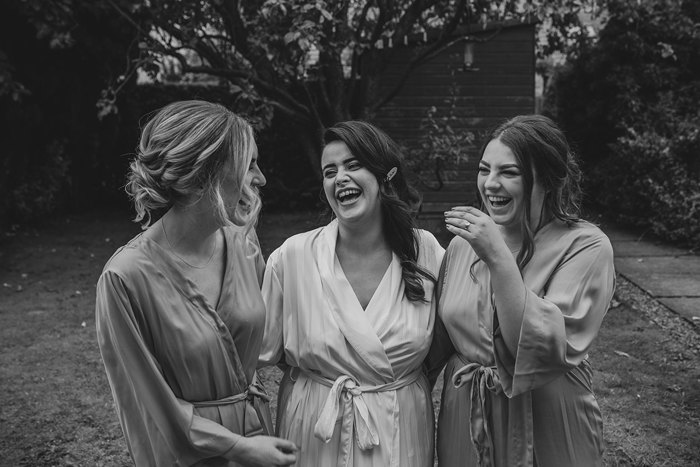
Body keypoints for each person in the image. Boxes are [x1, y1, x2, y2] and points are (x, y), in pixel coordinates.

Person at [95, 100, 297, 467]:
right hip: (189, 457)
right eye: (249, 164)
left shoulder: (243, 243)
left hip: (260, 440)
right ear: (208, 173)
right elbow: (146, 403)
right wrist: (236, 447)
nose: (261, 179)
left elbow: (270, 345)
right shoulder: (125, 278)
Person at [431, 114, 615, 466]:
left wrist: (498, 257)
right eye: (485, 170)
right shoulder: (460, 247)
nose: (490, 184)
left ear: (547, 179)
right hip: (466, 416)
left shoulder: (586, 246)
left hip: (548, 418)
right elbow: (434, 344)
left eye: (509, 173)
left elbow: (534, 348)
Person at [259, 120, 445, 466]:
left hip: (399, 428)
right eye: (329, 171)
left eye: (353, 165)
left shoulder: (426, 252)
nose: (339, 177)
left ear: (385, 176)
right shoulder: (292, 257)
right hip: (315, 431)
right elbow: (260, 351)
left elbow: (444, 345)